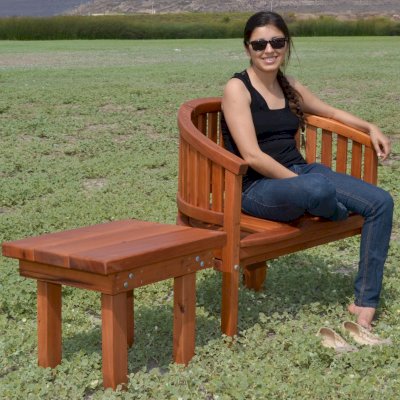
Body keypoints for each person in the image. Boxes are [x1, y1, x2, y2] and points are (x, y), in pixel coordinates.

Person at [221, 11, 393, 330]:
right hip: (257, 188)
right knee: (317, 189)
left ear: (287, 45)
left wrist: (370, 126)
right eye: (259, 44)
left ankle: (365, 303)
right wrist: (304, 182)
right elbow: (252, 156)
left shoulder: (289, 87)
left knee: (381, 202)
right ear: (247, 48)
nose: (268, 50)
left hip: (301, 174)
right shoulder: (237, 89)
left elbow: (330, 111)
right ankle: (333, 210)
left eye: (277, 42)